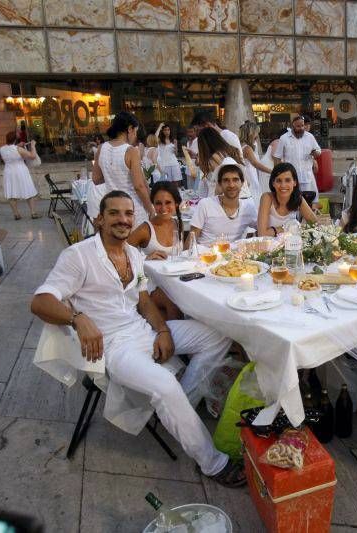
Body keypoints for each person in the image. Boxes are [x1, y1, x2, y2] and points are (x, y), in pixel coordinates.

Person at [31, 190, 246, 487]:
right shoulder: (78, 256)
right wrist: (77, 319)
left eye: (128, 214)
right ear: (99, 219)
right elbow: (40, 302)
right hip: (113, 347)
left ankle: (181, 405)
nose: (123, 219)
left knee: (217, 335)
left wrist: (162, 330)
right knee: (164, 385)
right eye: (114, 213)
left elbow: (143, 301)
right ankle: (212, 462)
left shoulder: (133, 254)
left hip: (142, 331)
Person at [128, 181, 184, 321]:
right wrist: (144, 259)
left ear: (176, 204)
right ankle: (172, 340)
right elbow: (121, 254)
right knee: (173, 302)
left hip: (173, 280)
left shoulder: (179, 224)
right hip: (150, 282)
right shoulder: (145, 229)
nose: (163, 207)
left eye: (168, 202)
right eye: (158, 203)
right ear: (153, 204)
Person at [92, 111, 154, 228]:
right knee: (134, 244)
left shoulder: (101, 148)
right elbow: (139, 186)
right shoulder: (131, 151)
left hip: (112, 207)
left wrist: (113, 176)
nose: (135, 135)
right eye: (135, 131)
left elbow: (96, 179)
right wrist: (151, 209)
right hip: (132, 208)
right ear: (130, 129)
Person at [189, 159, 257, 246]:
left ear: (242, 183)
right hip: (206, 257)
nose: (231, 185)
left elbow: (263, 230)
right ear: (220, 184)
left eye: (235, 180)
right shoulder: (205, 204)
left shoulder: (248, 208)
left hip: (234, 258)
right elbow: (191, 241)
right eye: (226, 180)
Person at [257, 162, 317, 237]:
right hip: (268, 246)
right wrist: (286, 227)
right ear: (273, 183)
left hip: (292, 246)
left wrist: (301, 228)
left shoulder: (298, 197)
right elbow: (262, 234)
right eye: (279, 180)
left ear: (294, 182)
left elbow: (315, 223)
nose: (283, 185)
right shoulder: (267, 198)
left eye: (287, 180)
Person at [273, 116, 322, 201]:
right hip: (290, 177)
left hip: (307, 176)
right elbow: (277, 157)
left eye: (302, 125)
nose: (301, 128)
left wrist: (315, 153)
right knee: (292, 202)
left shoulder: (309, 137)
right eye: (298, 126)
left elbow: (318, 150)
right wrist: (278, 175)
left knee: (308, 202)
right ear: (293, 126)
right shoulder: (284, 138)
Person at [0, 131, 40, 220]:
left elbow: (10, 150)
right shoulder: (19, 149)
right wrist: (33, 145)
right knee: (28, 190)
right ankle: (33, 212)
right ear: (15, 140)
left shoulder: (2, 149)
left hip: (9, 171)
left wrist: (18, 145)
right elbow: (32, 156)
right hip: (20, 170)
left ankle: (16, 214)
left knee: (12, 193)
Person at [196, 127, 245, 198]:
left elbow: (220, 185)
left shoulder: (213, 158)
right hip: (240, 194)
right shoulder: (232, 150)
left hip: (222, 198)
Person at [239, 121, 271, 205]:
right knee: (254, 199)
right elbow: (256, 164)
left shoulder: (245, 145)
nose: (257, 136)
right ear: (251, 134)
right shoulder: (247, 148)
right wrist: (271, 171)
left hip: (251, 174)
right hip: (250, 176)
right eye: (256, 133)